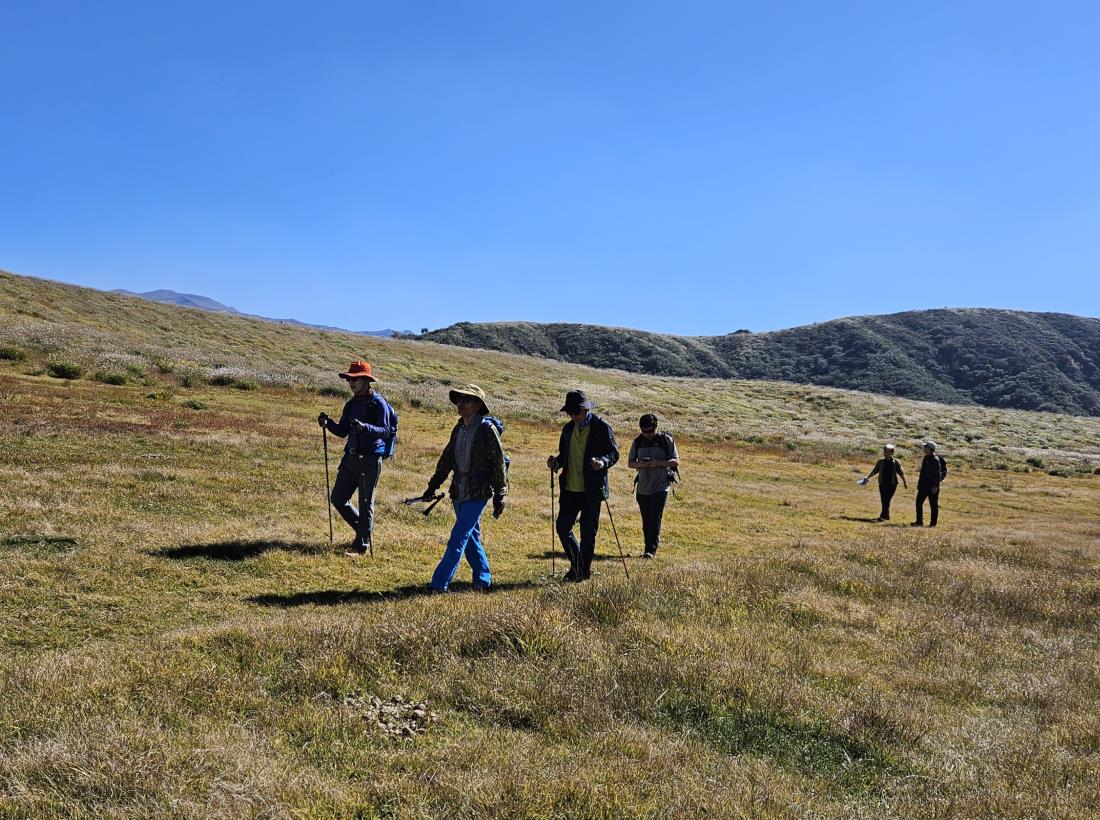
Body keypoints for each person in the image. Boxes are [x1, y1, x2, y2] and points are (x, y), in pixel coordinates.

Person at [420, 384, 507, 592]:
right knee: (471, 538)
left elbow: (498, 463)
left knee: (458, 537)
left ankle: (438, 584)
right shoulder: (458, 429)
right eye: (459, 399)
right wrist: (432, 486)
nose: (461, 403)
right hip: (458, 491)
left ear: (478, 405)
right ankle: (483, 580)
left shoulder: (487, 430)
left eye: (466, 400)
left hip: (478, 493)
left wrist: (500, 494)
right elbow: (446, 460)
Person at [317, 360, 397, 556]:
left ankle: (361, 544)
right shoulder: (351, 404)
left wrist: (365, 427)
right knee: (338, 498)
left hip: (370, 459)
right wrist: (328, 423)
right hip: (350, 458)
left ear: (366, 380)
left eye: (355, 379)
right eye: (349, 379)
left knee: (365, 501)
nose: (351, 383)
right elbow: (343, 431)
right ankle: (364, 532)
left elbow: (386, 431)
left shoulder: (379, 403)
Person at [547, 390, 619, 581]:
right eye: (569, 413)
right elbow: (564, 455)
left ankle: (581, 571)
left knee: (588, 534)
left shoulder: (601, 427)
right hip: (570, 488)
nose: (573, 416)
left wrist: (602, 462)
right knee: (562, 527)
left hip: (592, 490)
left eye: (576, 412)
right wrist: (556, 463)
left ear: (586, 409)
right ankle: (579, 567)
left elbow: (614, 454)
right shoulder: (568, 429)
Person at [627, 413, 679, 558]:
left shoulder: (666, 440)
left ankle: (650, 551)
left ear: (656, 427)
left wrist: (657, 463)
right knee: (646, 520)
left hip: (661, 485)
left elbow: (675, 461)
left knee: (655, 517)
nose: (647, 434)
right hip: (643, 487)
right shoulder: (637, 442)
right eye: (644, 431)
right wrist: (641, 464)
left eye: (650, 431)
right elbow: (630, 463)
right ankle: (648, 548)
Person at [863, 444, 907, 521]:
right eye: (885, 451)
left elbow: (901, 473)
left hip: (892, 484)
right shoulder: (881, 461)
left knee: (887, 499)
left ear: (892, 452)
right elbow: (875, 471)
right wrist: (868, 477)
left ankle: (883, 516)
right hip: (882, 483)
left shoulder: (896, 462)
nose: (886, 453)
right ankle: (886, 516)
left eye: (888, 452)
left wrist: (904, 482)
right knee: (884, 500)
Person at [912, 441, 948, 527]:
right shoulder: (926, 458)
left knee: (933, 505)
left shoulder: (935, 460)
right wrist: (919, 484)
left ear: (930, 449)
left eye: (926, 447)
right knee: (918, 502)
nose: (924, 449)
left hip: (932, 486)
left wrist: (935, 486)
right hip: (923, 485)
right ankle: (919, 521)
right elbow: (922, 473)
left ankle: (933, 524)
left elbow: (937, 474)